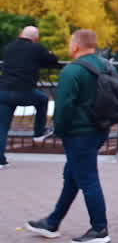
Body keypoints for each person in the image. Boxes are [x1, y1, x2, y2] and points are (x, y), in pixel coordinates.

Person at [26, 29, 112, 243]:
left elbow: (63, 107)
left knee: (88, 180)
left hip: (78, 132)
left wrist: (59, 131)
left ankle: (99, 229)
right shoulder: (108, 66)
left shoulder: (72, 71)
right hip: (100, 129)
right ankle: (52, 222)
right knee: (72, 177)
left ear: (76, 45)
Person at [0, 25, 59, 168]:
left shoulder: (9, 47)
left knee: (2, 127)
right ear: (35, 38)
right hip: (24, 91)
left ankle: (0, 160)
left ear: (21, 34)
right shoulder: (36, 48)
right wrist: (50, 53)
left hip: (3, 91)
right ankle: (38, 133)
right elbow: (53, 60)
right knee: (43, 100)